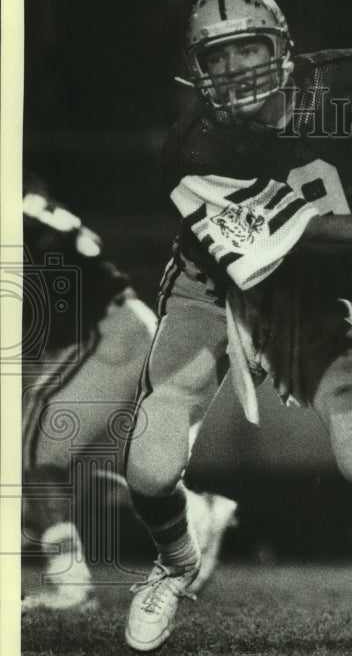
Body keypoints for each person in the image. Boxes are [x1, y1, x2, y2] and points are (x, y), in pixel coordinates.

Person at [123, 0, 352, 656]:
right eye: (219, 57)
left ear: (283, 48)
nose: (237, 70)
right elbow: (308, 233)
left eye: (250, 49)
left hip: (307, 293)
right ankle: (179, 560)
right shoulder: (196, 148)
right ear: (198, 70)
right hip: (217, 282)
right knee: (149, 466)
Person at [20, 175, 237, 611]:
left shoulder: (23, 217)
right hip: (124, 330)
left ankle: (73, 587)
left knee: (33, 454)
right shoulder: (33, 209)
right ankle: (198, 512)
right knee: (117, 471)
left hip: (105, 334)